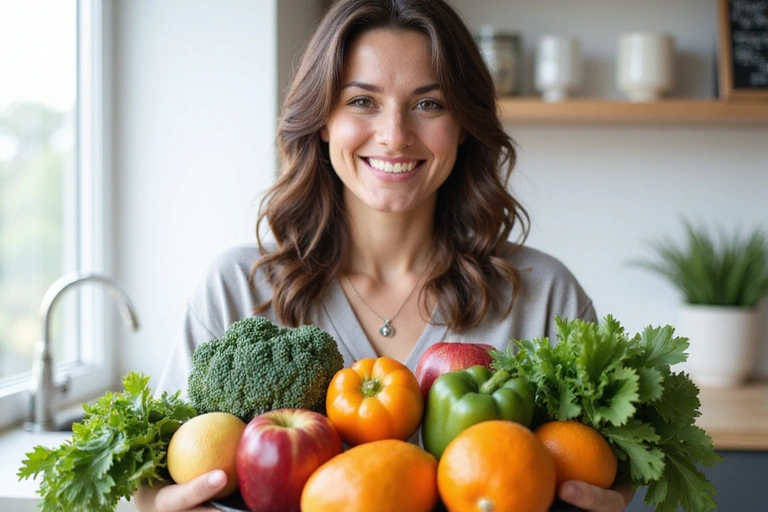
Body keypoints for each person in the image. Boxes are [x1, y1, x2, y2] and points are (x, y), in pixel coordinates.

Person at [135, 0, 633, 511]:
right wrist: (151, 503)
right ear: (323, 120)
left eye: (429, 104)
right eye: (362, 101)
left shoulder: (544, 296)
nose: (395, 135)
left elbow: (606, 466)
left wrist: (615, 496)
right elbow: (156, 473)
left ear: (463, 123)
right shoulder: (236, 289)